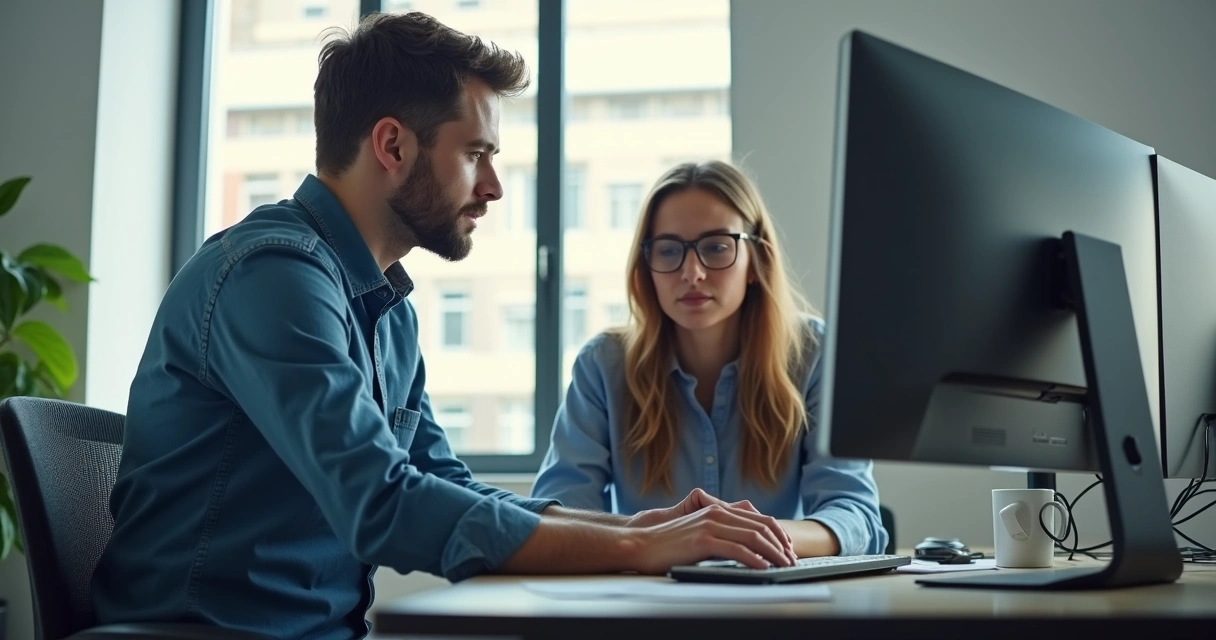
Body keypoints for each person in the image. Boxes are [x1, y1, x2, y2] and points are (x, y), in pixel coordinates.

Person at [91, 13, 796, 640]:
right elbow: (384, 505)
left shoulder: (383, 308)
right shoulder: (271, 277)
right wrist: (636, 549)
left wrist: (635, 527)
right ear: (392, 145)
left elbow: (443, 482)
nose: (492, 187)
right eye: (476, 154)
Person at [531, 160, 888, 558]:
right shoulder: (603, 365)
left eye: (716, 246)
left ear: (757, 261)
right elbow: (557, 516)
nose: (692, 272)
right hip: (649, 606)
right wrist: (659, 540)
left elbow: (857, 516)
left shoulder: (815, 355)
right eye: (668, 250)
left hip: (774, 599)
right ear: (646, 267)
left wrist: (752, 536)